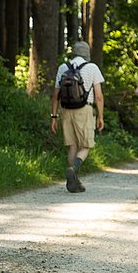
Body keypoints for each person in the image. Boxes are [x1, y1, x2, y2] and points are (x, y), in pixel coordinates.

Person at [50, 40, 105, 193]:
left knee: (72, 146)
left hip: (66, 110)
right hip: (84, 110)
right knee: (86, 145)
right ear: (87, 54)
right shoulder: (92, 67)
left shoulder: (63, 67)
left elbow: (55, 96)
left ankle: (74, 179)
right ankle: (73, 168)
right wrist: (100, 116)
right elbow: (99, 96)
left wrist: (53, 117)